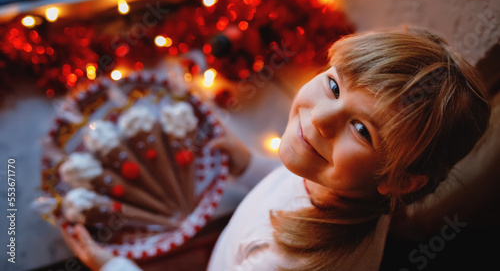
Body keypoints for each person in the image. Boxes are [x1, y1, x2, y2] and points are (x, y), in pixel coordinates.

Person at [61, 28, 491, 271]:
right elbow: (292, 181)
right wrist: (248, 165)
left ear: (400, 178)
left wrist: (111, 266)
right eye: (334, 85)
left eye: (362, 129)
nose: (321, 119)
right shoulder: (350, 185)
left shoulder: (287, 264)